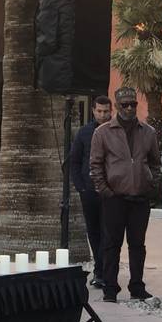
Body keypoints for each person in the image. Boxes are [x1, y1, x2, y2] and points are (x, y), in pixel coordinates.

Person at [89, 86, 159, 303]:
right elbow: (96, 165)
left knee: (138, 245)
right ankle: (110, 288)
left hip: (140, 198)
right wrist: (106, 192)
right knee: (112, 244)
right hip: (114, 198)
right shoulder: (103, 132)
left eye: (133, 104)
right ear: (116, 106)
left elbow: (156, 163)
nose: (129, 108)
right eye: (124, 105)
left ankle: (137, 287)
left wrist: (150, 184)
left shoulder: (148, 132)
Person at [69, 95, 112, 288]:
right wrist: (81, 187)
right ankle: (99, 270)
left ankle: (104, 271)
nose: (103, 115)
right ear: (93, 111)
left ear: (111, 111)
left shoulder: (116, 131)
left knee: (108, 232)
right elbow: (74, 161)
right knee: (94, 232)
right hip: (89, 192)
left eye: (106, 111)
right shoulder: (84, 133)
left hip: (111, 192)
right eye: (99, 111)